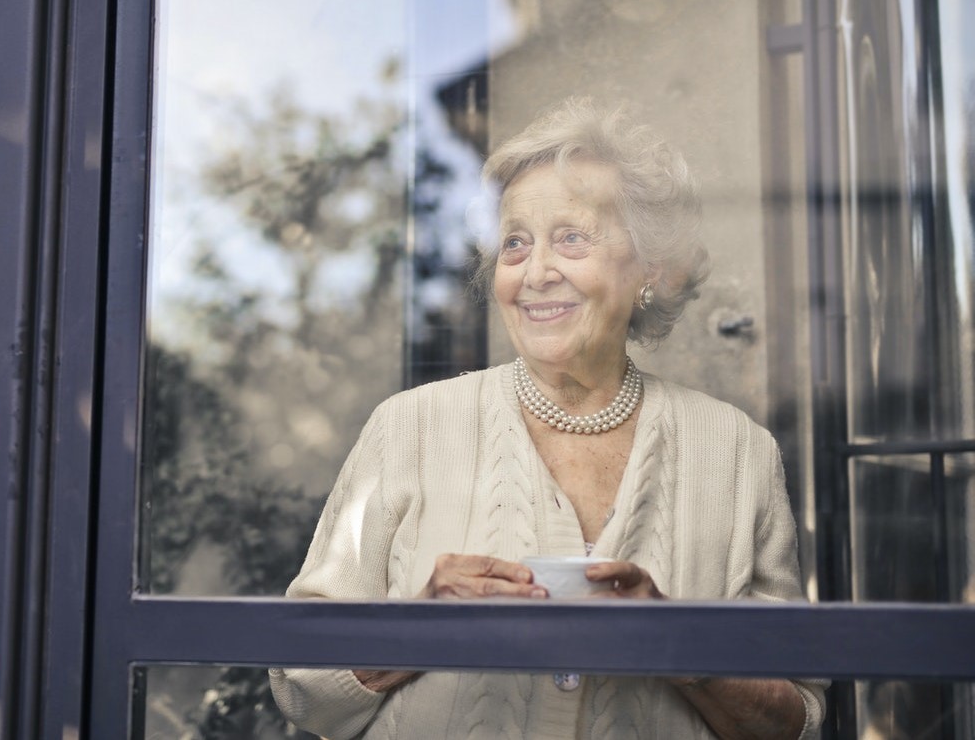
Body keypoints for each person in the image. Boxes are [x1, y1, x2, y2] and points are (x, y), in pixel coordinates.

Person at [269, 98, 826, 739]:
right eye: (515, 244)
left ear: (649, 269)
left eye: (571, 238)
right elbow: (301, 684)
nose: (536, 273)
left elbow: (797, 720)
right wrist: (421, 627)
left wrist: (678, 645)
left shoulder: (736, 452)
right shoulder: (408, 428)